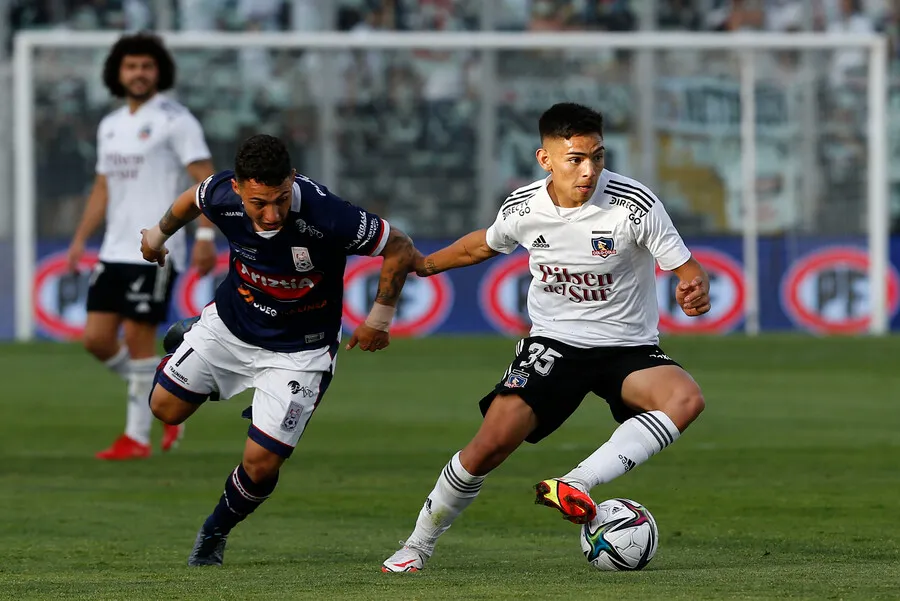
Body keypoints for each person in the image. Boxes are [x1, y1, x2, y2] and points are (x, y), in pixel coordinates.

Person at [382, 102, 709, 572]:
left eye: (597, 156)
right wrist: (425, 264)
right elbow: (483, 244)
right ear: (545, 159)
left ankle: (576, 482)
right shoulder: (524, 207)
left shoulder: (633, 204)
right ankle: (416, 544)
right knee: (488, 446)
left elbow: (686, 266)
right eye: (576, 158)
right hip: (554, 345)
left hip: (628, 347)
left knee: (685, 398)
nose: (590, 169)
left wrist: (693, 286)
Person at [139, 134, 417, 566]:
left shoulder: (328, 215)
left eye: (281, 200)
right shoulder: (219, 192)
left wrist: (380, 316)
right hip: (230, 327)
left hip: (299, 352)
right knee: (164, 409)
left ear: (292, 180)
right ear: (237, 189)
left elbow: (398, 245)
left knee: (261, 464)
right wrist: (157, 236)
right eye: (258, 203)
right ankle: (190, 338)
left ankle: (215, 531)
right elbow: (189, 200)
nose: (271, 214)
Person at [66, 32, 217, 460]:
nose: (138, 73)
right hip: (113, 249)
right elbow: (102, 187)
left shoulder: (176, 119)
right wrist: (80, 240)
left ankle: (136, 437)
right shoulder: (110, 125)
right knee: (96, 339)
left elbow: (205, 182)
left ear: (159, 73)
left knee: (137, 339)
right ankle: (172, 387)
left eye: (147, 67)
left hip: (157, 248)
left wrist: (205, 235)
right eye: (131, 66)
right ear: (118, 72)